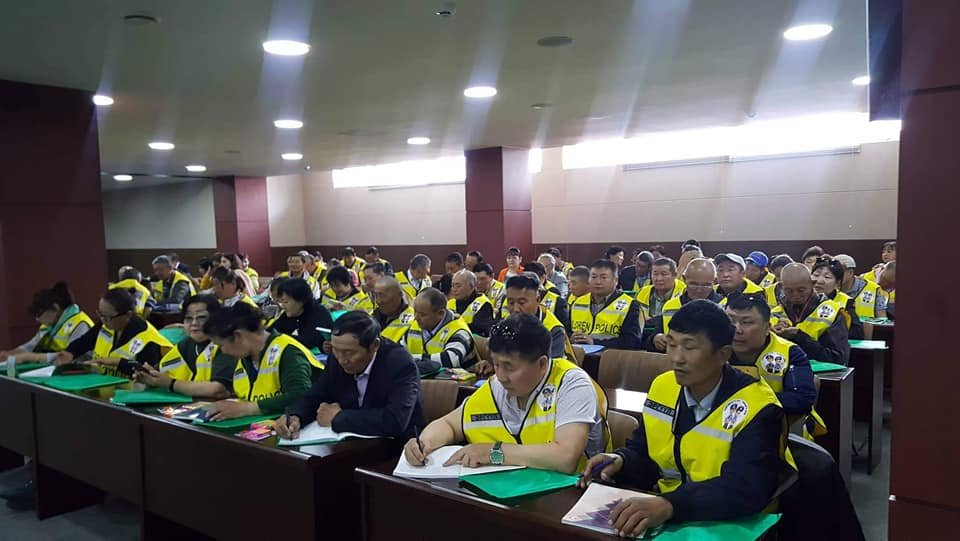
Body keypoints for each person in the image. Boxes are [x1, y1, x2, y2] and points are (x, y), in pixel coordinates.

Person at [579, 300, 796, 536]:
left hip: (734, 524)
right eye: (671, 345)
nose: (676, 358)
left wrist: (670, 505)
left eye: (689, 347)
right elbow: (645, 453)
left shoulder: (758, 406)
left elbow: (745, 488)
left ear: (723, 354)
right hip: (673, 514)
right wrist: (621, 461)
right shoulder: (663, 386)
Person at [403, 314, 610, 474]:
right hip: (516, 489)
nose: (500, 376)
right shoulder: (497, 386)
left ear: (541, 364)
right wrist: (425, 444)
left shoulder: (572, 383)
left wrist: (494, 452)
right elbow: (449, 424)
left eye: (509, 367)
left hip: (572, 494)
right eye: (496, 364)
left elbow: (566, 457)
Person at [275, 312, 426, 440]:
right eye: (335, 350)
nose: (341, 360)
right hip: (351, 443)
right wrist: (296, 415)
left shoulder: (399, 363)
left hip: (398, 447)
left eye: (349, 353)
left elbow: (395, 420)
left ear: (374, 345)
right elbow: (317, 394)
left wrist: (338, 417)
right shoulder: (337, 357)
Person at [203, 302, 320, 420]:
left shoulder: (288, 351)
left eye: (221, 345)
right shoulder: (245, 358)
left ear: (238, 336)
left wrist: (246, 409)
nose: (222, 351)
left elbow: (300, 394)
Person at [726, 294, 816, 417]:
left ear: (767, 328)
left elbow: (802, 400)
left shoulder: (790, 353)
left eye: (746, 322)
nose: (737, 330)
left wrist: (748, 398)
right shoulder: (715, 350)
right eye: (730, 321)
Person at [54, 289, 174, 378]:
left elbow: (147, 372)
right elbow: (85, 341)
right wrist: (70, 352)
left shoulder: (149, 341)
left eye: (107, 317)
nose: (102, 320)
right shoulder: (106, 324)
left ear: (128, 315)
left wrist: (116, 362)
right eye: (100, 314)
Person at [137, 294, 235, 397]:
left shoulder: (225, 346)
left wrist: (171, 383)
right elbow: (161, 372)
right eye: (189, 318)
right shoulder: (186, 344)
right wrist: (149, 376)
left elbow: (218, 389)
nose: (194, 323)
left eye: (201, 317)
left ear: (216, 319)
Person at [771, 263, 850, 366]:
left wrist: (799, 336)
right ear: (781, 287)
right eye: (789, 291)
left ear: (812, 284)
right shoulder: (774, 313)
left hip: (820, 373)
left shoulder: (832, 312)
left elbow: (839, 358)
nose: (795, 295)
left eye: (801, 290)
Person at [0, 282, 94, 365]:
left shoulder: (80, 324)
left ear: (55, 308)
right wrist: (10, 354)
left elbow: (72, 356)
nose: (37, 319)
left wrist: (30, 357)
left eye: (39, 314)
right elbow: (30, 346)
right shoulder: (48, 326)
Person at [645, 258, 723, 353]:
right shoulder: (671, 306)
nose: (699, 290)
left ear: (715, 281)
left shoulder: (723, 306)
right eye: (693, 284)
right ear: (684, 279)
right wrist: (655, 338)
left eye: (706, 285)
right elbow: (655, 336)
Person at [569, 260, 642, 350]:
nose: (598, 282)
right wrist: (570, 338)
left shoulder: (629, 305)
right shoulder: (577, 303)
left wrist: (594, 342)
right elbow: (566, 332)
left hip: (611, 356)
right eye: (594, 277)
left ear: (615, 280)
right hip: (578, 355)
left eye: (603, 277)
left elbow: (632, 342)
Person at [404, 288, 479, 373]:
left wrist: (409, 359)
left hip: (457, 379)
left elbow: (451, 360)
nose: (416, 317)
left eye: (422, 314)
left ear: (441, 313)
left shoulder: (459, 330)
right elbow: (399, 352)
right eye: (415, 312)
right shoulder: (415, 326)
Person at [503, 274, 573, 359]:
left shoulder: (553, 329)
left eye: (521, 303)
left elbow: (550, 364)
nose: (516, 309)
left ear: (538, 300)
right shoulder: (507, 323)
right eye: (511, 303)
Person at [267, 278, 335, 351]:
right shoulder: (293, 312)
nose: (283, 306)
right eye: (282, 302)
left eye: (286, 302)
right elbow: (271, 332)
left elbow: (307, 342)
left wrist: (279, 337)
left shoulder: (318, 313)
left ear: (301, 300)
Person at [812, 257, 864, 340]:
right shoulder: (800, 299)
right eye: (816, 275)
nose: (819, 281)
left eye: (827, 277)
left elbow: (856, 334)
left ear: (837, 283)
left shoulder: (846, 302)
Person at [834, 255, 887, 319]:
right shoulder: (829, 289)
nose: (835, 275)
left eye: (839, 272)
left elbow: (882, 318)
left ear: (850, 272)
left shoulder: (873, 289)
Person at [636, 257, 686, 322]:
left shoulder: (684, 293)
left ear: (675, 275)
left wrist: (652, 320)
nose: (659, 279)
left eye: (664, 274)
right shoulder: (643, 292)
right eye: (655, 274)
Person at [447, 270, 494, 337]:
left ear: (471, 287)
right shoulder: (450, 303)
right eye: (452, 285)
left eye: (458, 286)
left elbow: (481, 330)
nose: (454, 289)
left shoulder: (483, 304)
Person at [373, 277, 416, 343]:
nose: (378, 301)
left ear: (399, 295)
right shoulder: (372, 317)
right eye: (376, 296)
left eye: (382, 296)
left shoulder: (413, 319)